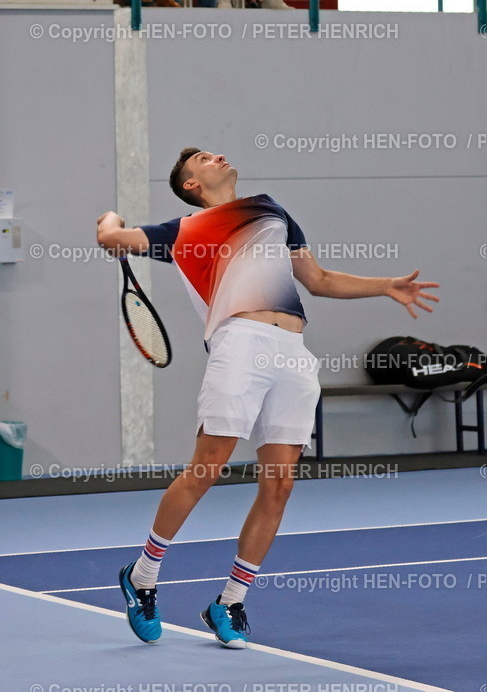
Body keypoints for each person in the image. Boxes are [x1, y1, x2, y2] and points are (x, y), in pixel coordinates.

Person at [97, 149, 440, 648]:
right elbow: (110, 236)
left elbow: (318, 281)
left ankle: (230, 602)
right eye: (202, 158)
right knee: (206, 468)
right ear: (192, 184)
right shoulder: (184, 232)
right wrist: (112, 220)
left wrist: (384, 285)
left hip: (293, 353)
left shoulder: (271, 210)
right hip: (238, 345)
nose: (216, 155)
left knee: (279, 484)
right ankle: (144, 574)